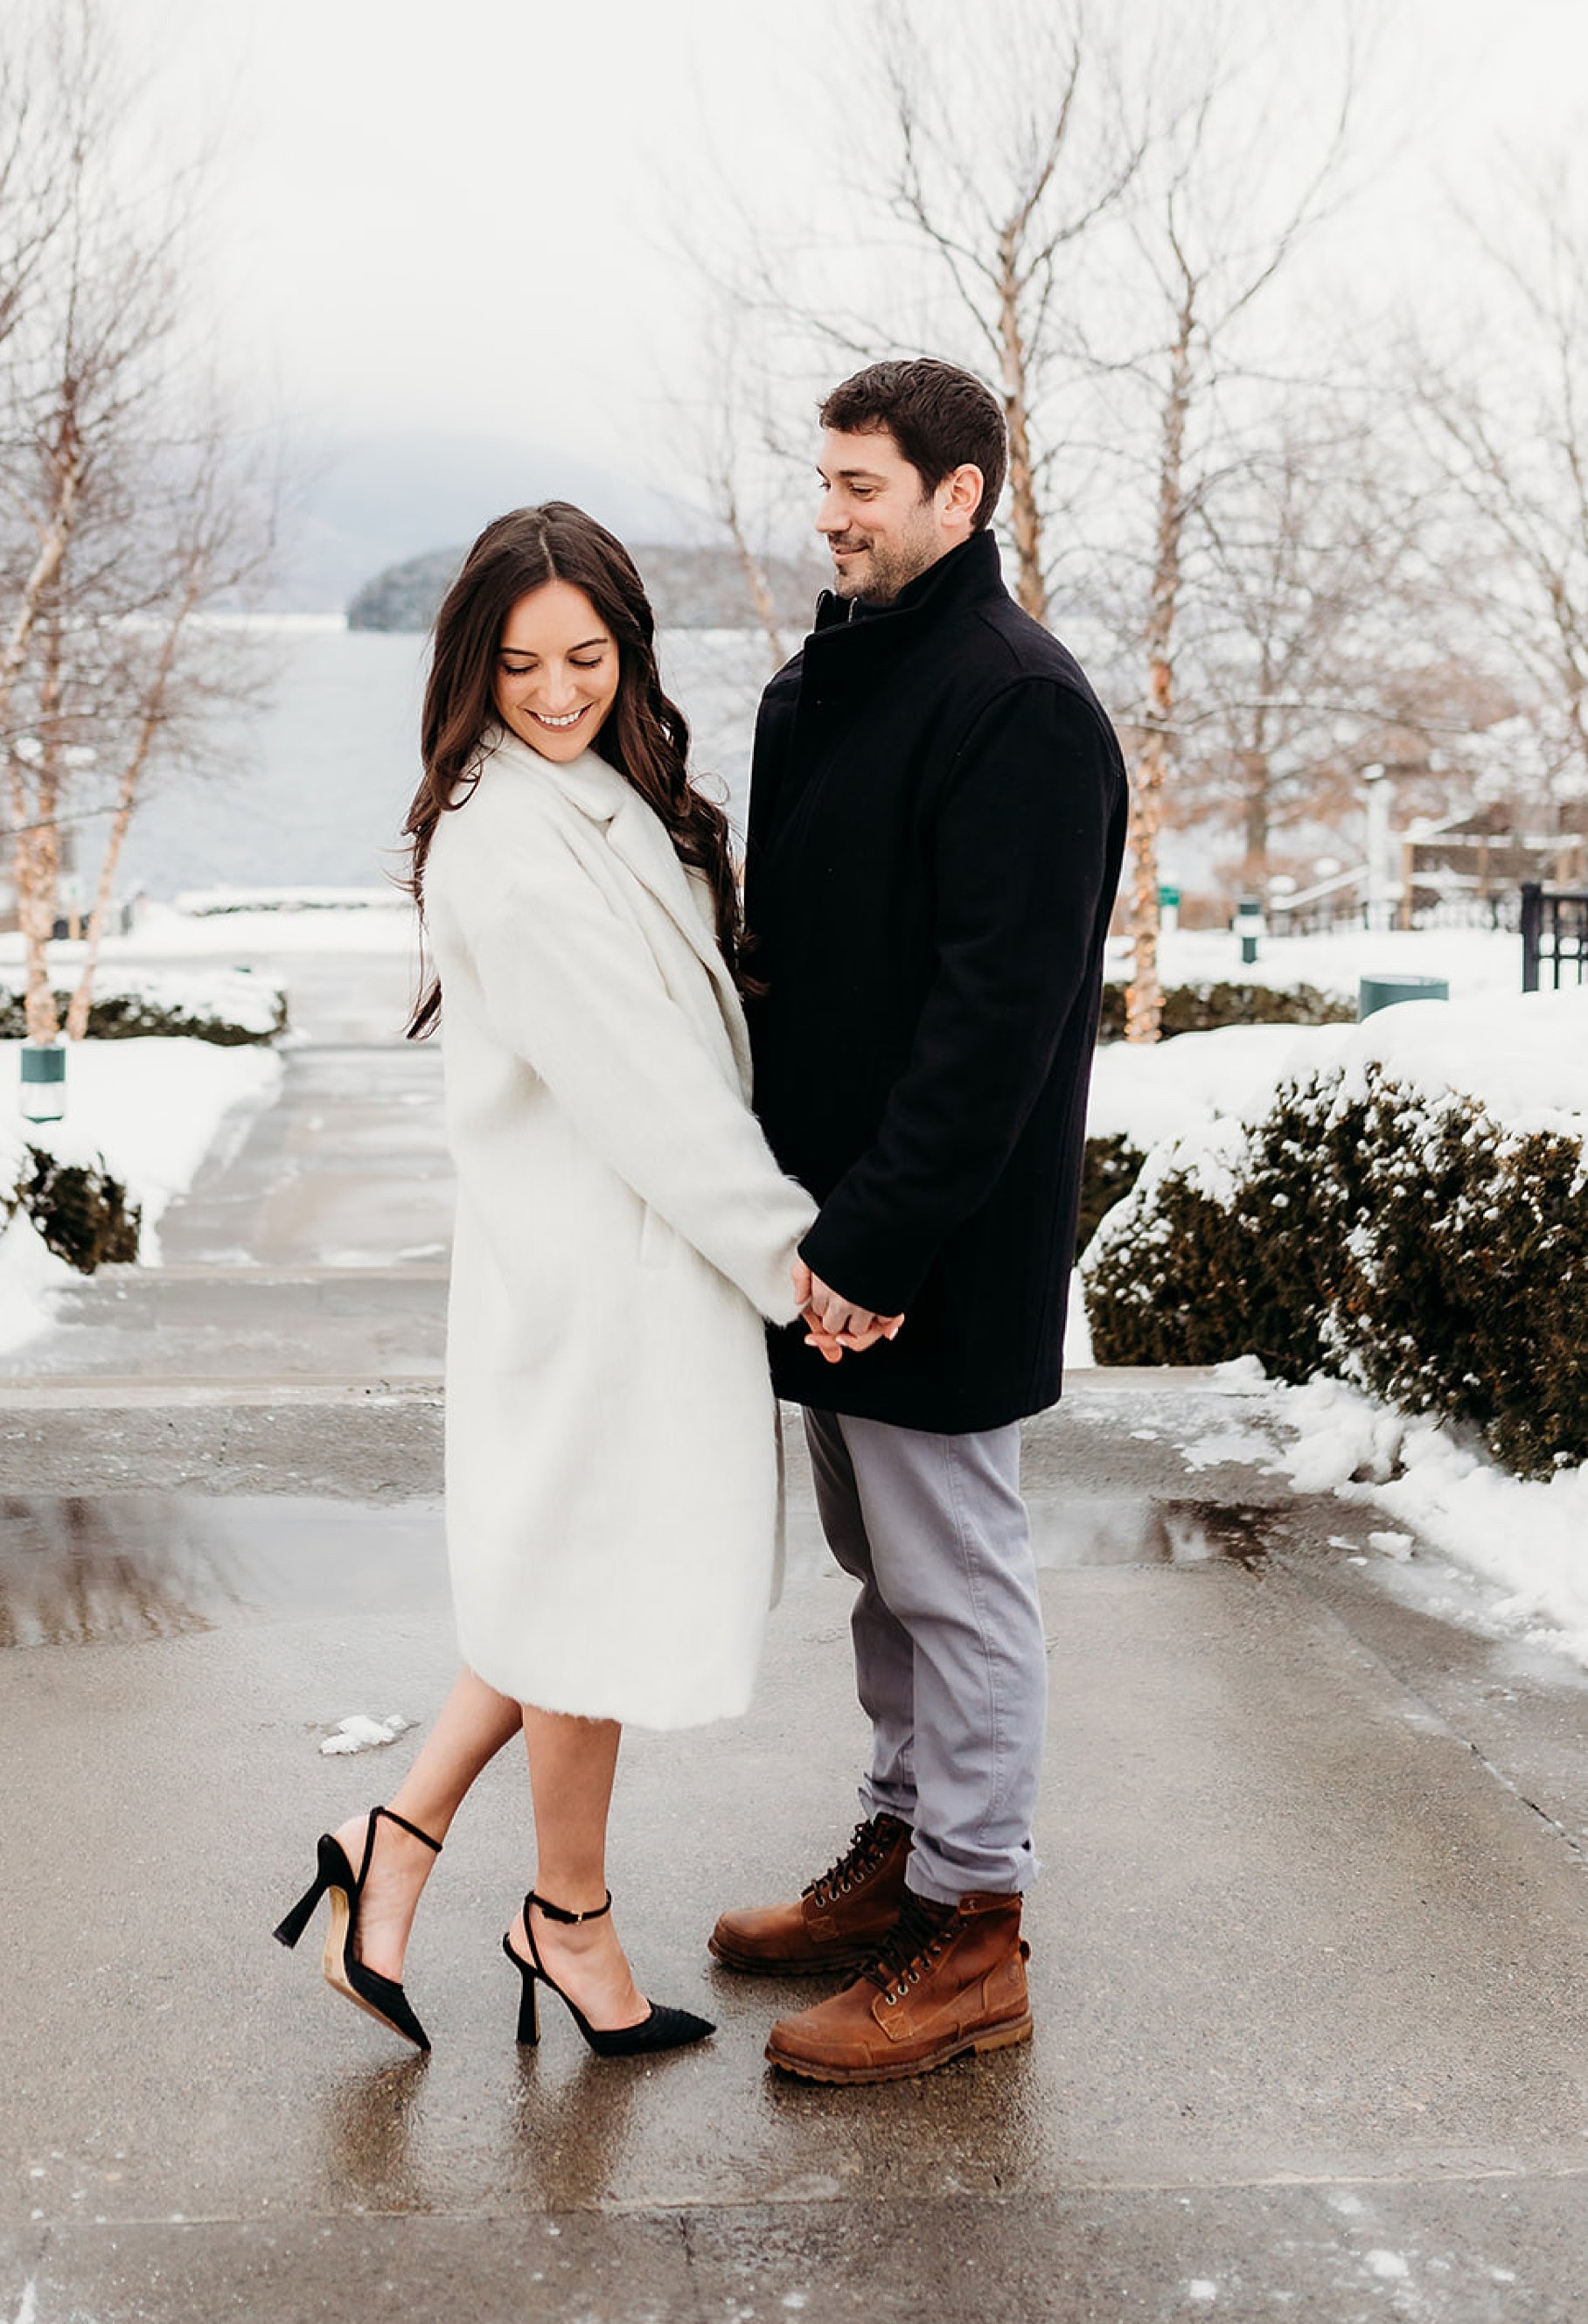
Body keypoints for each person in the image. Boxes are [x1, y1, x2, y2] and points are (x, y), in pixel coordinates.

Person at [273, 499, 880, 2059]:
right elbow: (647, 1091)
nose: (558, 692)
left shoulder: (589, 791)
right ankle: (561, 1917)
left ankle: (395, 1855)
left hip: (614, 1269)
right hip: (605, 1274)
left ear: (628, 650)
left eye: (588, 658)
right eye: (524, 664)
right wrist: (787, 1252)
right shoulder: (514, 845)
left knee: (562, 1592)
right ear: (475, 665)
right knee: (582, 1609)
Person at [709, 358, 1128, 2084]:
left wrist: (872, 1251)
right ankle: (900, 1854)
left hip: (923, 1248)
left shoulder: (1018, 702)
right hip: (825, 1241)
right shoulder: (830, 682)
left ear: (961, 497)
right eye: (824, 479)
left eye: (863, 483)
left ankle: (974, 1931)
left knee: (955, 1579)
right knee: (882, 1573)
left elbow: (995, 1025)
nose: (829, 510)